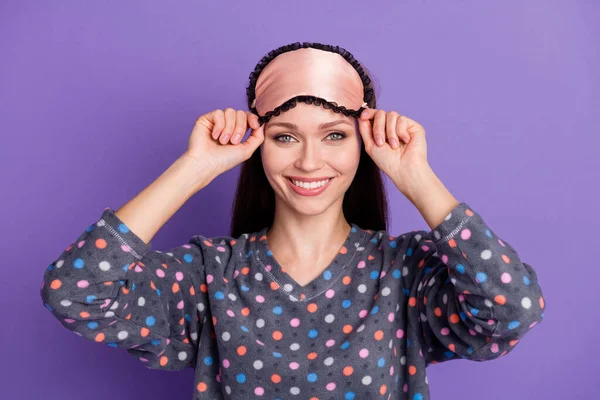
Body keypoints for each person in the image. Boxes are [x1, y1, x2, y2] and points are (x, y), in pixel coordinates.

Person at [40, 42, 546, 399]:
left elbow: (513, 310)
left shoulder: (405, 271)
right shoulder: (208, 276)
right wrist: (193, 168)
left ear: (362, 144)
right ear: (259, 146)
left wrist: (415, 176)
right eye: (285, 136)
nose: (308, 162)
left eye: (333, 135)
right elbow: (75, 292)